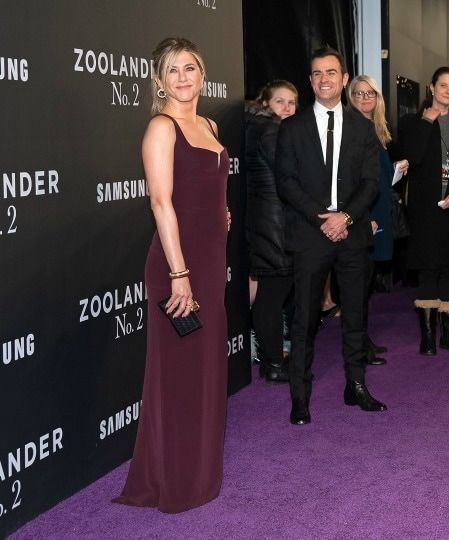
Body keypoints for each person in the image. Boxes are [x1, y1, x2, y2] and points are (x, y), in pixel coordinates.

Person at [115, 37, 228, 513]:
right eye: (172, 71)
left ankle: (199, 472)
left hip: (208, 259)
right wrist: (180, 273)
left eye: (190, 69)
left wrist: (225, 214)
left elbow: (208, 188)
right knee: (179, 377)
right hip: (176, 267)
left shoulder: (209, 124)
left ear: (203, 74)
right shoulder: (161, 128)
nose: (183, 78)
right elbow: (161, 202)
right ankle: (175, 482)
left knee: (204, 373)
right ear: (159, 80)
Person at [276, 47, 385, 425]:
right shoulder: (291, 127)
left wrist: (347, 217)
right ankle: (300, 396)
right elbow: (285, 181)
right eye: (317, 73)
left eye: (332, 72)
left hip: (352, 234)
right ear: (310, 80)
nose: (324, 79)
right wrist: (321, 217)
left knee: (355, 312)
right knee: (305, 318)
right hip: (310, 233)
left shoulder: (362, 127)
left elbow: (372, 182)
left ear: (343, 77)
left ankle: (355, 385)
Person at [398, 66, 449, 356]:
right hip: (425, 209)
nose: (448, 91)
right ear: (431, 88)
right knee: (428, 270)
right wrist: (426, 122)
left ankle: (448, 334)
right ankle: (428, 336)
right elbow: (413, 157)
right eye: (442, 85)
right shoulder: (412, 121)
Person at [347, 74, 409, 366]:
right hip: (364, 217)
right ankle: (358, 346)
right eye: (358, 94)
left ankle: (363, 341)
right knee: (358, 284)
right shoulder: (350, 130)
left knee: (366, 284)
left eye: (370, 94)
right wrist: (364, 218)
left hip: (379, 212)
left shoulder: (377, 130)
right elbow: (350, 182)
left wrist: (395, 171)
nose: (364, 99)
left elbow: (376, 176)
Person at [245, 79, 298, 383]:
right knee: (272, 295)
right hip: (276, 224)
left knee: (270, 294)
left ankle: (273, 359)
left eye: (292, 102)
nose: (287, 108)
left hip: (268, 221)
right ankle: (274, 363)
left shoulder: (256, 127)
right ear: (266, 103)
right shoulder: (272, 130)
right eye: (280, 101)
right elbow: (289, 177)